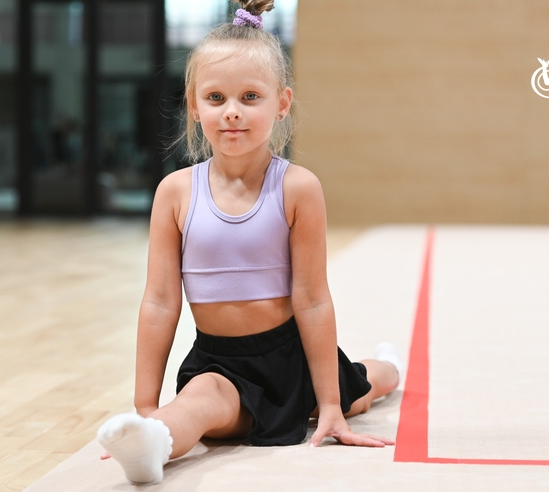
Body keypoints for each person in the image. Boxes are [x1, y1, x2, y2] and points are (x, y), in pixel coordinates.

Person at [96, 0, 403, 485]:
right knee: (202, 401)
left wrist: (329, 404)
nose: (232, 113)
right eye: (215, 98)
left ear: (281, 103)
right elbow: (158, 303)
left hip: (291, 357)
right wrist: (145, 405)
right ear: (194, 105)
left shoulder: (298, 187)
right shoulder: (175, 193)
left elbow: (312, 298)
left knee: (365, 388)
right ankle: (151, 439)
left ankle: (389, 364)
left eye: (250, 97)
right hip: (220, 360)